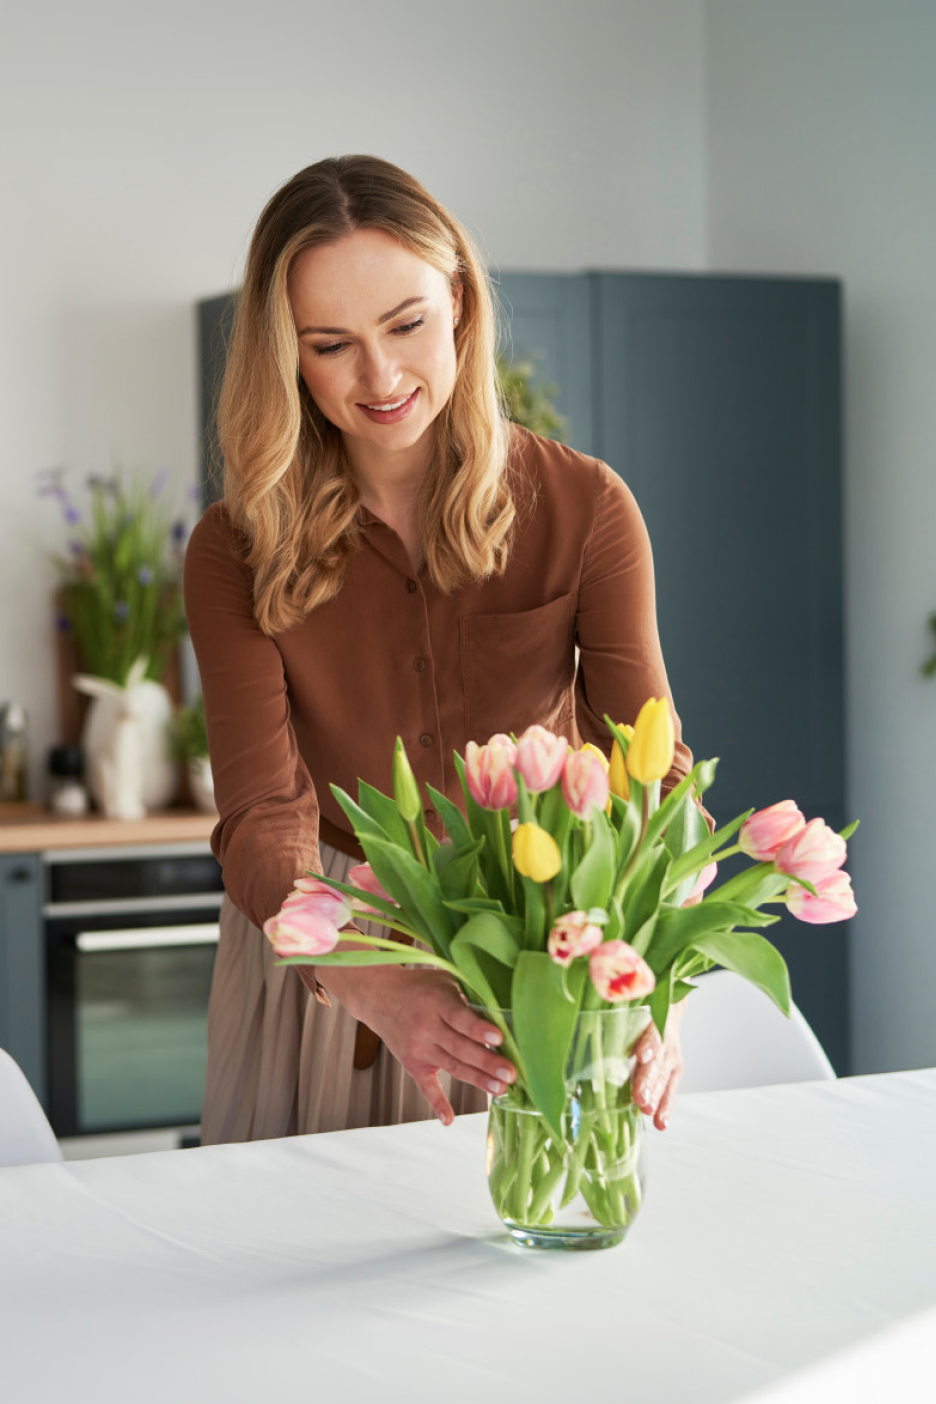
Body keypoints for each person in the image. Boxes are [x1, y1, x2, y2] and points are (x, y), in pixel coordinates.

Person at [184, 154, 693, 1146]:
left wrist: (650, 974)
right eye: (331, 345)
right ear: (287, 353)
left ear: (458, 300)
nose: (379, 379)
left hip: (536, 936)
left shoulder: (587, 510)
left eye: (407, 325)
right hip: (328, 951)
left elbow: (649, 771)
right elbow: (260, 811)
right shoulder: (233, 548)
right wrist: (365, 975)